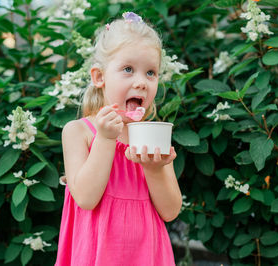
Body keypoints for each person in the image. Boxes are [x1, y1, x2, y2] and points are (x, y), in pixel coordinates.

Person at [55, 12, 182, 266]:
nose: (142, 82)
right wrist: (105, 138)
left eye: (150, 73)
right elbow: (86, 198)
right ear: (99, 77)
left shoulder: (151, 136)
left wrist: (154, 168)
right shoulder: (78, 132)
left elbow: (170, 211)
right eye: (128, 69)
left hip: (147, 256)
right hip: (96, 255)